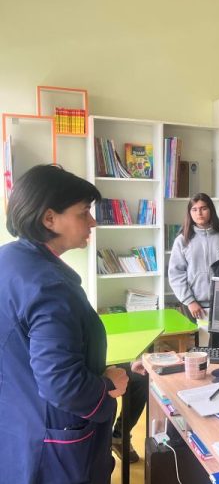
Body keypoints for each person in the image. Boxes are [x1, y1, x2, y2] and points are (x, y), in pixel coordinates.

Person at [0, 164, 130, 483]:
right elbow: (62, 384)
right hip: (55, 442)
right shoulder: (49, 288)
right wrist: (107, 386)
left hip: (18, 419)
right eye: (83, 212)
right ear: (49, 219)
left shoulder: (8, 260)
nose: (92, 221)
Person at [168, 193, 219, 345]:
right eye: (194, 209)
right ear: (189, 213)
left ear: (211, 210)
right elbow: (176, 274)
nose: (199, 213)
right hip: (196, 305)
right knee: (202, 346)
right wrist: (190, 301)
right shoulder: (183, 240)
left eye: (203, 208)